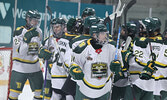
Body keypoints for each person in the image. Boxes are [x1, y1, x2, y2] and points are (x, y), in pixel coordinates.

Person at [69, 23, 122, 100]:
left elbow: (119, 62)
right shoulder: (82, 48)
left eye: (106, 34)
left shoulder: (112, 46)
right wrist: (74, 69)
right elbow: (74, 63)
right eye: (102, 34)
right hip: (85, 90)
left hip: (104, 90)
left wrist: (117, 65)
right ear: (94, 35)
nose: (106, 36)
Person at [122, 17, 163, 100]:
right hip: (153, 86)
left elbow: (135, 62)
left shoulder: (140, 42)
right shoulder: (163, 43)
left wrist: (126, 55)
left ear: (150, 29)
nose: (140, 29)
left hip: (137, 82)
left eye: (143, 27)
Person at [9, 10, 43, 100]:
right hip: (19, 68)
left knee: (39, 94)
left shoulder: (39, 31)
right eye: (33, 20)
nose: (36, 22)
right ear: (28, 19)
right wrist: (27, 39)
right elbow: (20, 51)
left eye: (37, 20)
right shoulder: (19, 31)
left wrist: (43, 52)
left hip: (35, 67)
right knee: (13, 95)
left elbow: (38, 48)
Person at [38, 18, 74, 100]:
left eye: (58, 27)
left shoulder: (69, 39)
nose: (55, 29)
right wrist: (42, 52)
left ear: (63, 27)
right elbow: (40, 52)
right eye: (54, 27)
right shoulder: (48, 40)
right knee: (49, 96)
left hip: (64, 75)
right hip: (50, 75)